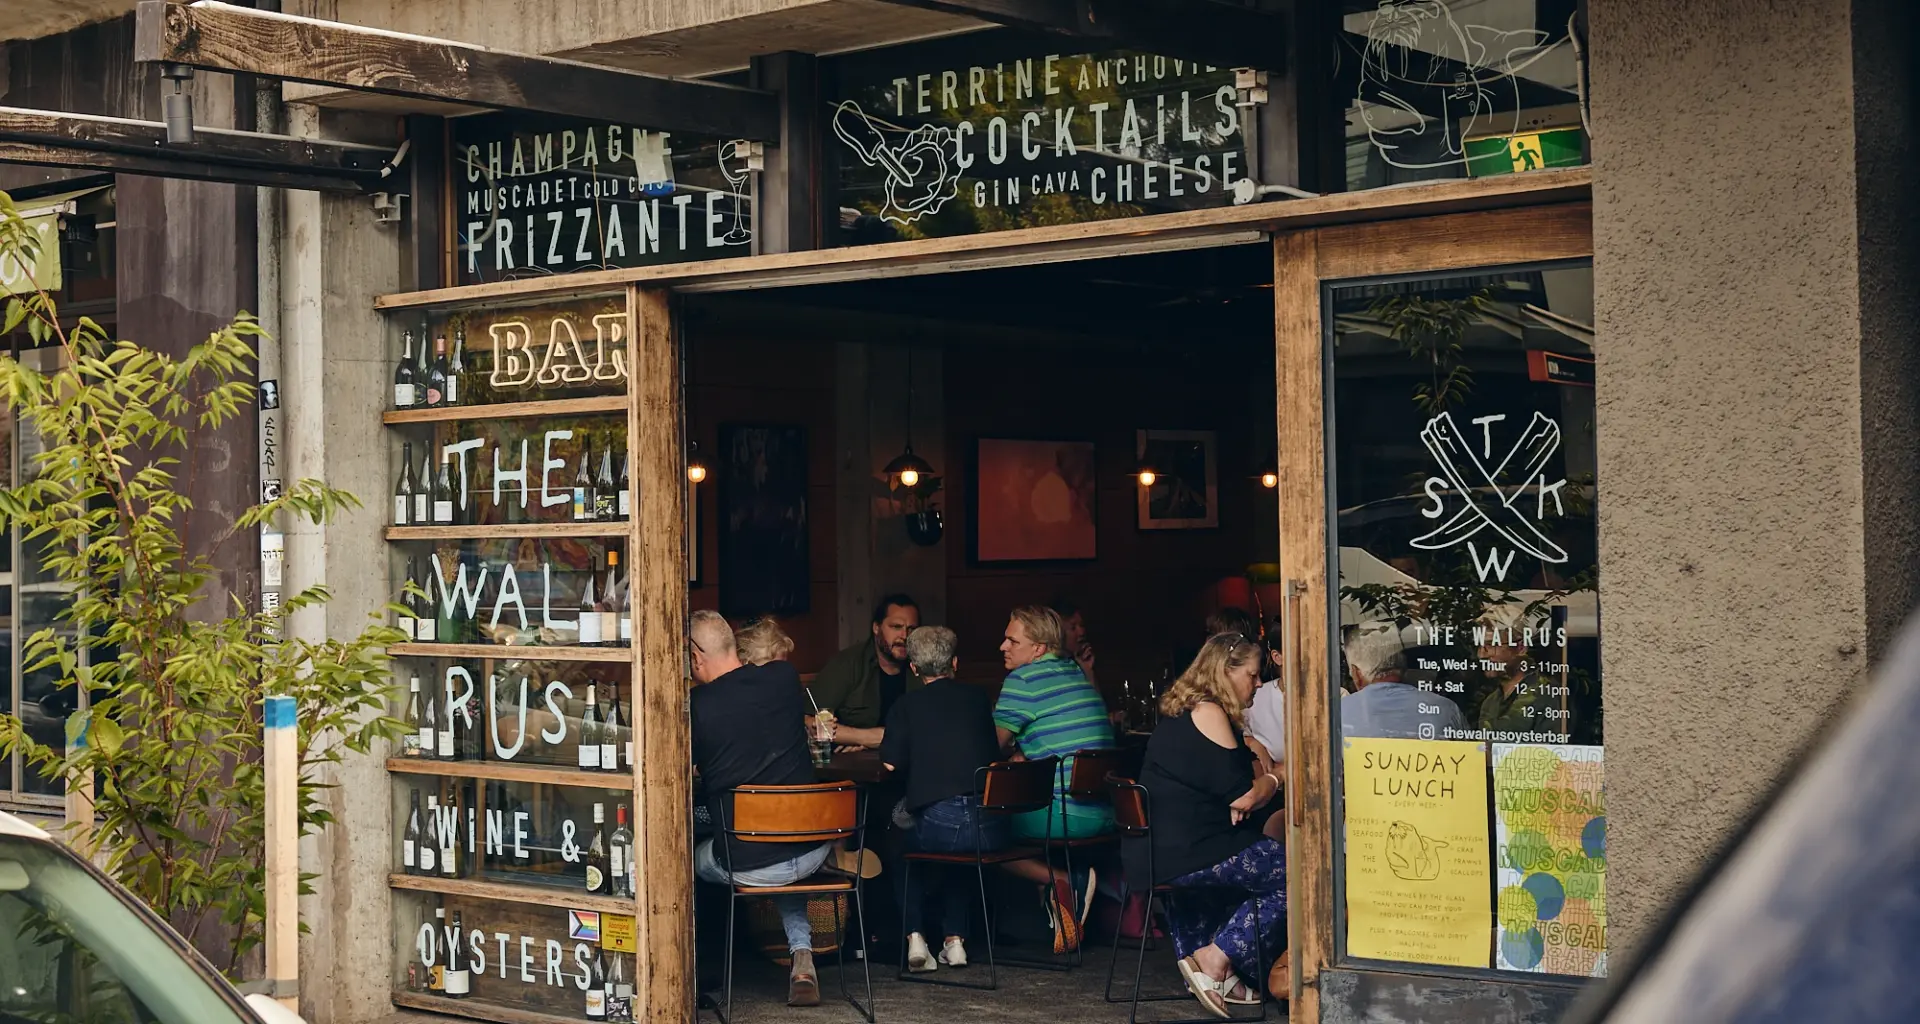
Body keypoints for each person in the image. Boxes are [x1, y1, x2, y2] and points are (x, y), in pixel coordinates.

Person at [1125, 632, 1285, 1017]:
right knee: (1296, 872)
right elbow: (1244, 796)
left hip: (1160, 850)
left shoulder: (1188, 712)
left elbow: (1228, 790)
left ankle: (1216, 971)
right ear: (1225, 672)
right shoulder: (1209, 713)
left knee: (1254, 854)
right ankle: (1215, 957)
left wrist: (1246, 785)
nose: (1259, 682)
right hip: (1185, 851)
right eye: (1251, 674)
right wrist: (1279, 775)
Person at [687, 610, 830, 1007]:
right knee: (778, 839)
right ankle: (802, 957)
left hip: (747, 859)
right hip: (811, 848)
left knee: (686, 858)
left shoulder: (697, 705)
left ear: (696, 658)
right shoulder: (784, 680)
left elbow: (689, 768)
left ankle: (703, 974)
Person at [880, 626, 1004, 973]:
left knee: (898, 840)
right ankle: (955, 941)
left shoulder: (906, 704)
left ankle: (915, 937)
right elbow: (991, 755)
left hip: (941, 824)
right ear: (955, 663)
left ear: (915, 670)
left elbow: (890, 763)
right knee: (961, 851)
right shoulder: (978, 698)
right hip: (991, 826)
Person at [993, 604, 1115, 953]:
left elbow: (990, 746)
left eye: (1012, 640)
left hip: (1064, 816)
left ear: (1039, 648)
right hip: (1103, 812)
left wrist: (1014, 749)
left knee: (979, 829)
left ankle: (1059, 880)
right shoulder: (1074, 671)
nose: (1003, 646)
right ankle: (1057, 909)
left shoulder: (1024, 680)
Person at [808, 594, 920, 748]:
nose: (905, 636)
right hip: (854, 765)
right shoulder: (848, 664)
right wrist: (864, 738)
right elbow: (807, 719)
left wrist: (877, 741)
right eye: (896, 627)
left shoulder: (922, 666)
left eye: (911, 629)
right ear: (876, 628)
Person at [1340, 621, 1468, 740]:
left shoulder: (1337, 714)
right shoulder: (1446, 708)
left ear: (1356, 673)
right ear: (1402, 664)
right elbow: (1471, 759)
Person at [1475, 614, 1552, 735]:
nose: (1481, 655)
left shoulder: (1546, 696)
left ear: (1520, 648)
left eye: (1491, 645)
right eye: (1480, 646)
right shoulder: (1491, 702)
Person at [1052, 596, 1098, 688]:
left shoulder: (1080, 664)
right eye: (1073, 627)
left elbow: (1094, 701)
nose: (1081, 632)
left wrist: (1088, 671)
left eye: (1081, 625)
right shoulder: (1053, 671)